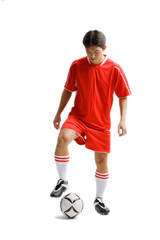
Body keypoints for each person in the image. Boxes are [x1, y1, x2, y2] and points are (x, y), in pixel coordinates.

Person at [50, 30, 132, 215]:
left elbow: (123, 96)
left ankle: (99, 199)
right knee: (63, 137)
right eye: (88, 52)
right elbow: (67, 90)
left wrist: (123, 120)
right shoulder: (77, 66)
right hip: (78, 116)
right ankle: (63, 180)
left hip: (101, 123)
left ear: (104, 49)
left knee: (101, 161)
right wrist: (58, 114)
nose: (92, 56)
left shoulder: (115, 69)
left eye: (96, 51)